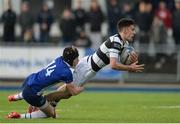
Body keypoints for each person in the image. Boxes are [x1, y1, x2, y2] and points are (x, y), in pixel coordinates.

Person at [8, 18, 144, 119]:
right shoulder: (116, 42)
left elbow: (119, 57)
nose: (134, 32)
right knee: (68, 93)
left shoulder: (120, 41)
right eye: (132, 29)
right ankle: (42, 101)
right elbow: (113, 65)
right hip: (88, 69)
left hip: (88, 65)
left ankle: (46, 102)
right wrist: (129, 68)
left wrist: (129, 58)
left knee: (66, 91)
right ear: (125, 30)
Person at [7, 46, 83, 119]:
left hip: (29, 81)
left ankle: (16, 97)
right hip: (33, 94)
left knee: (38, 87)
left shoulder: (59, 59)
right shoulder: (66, 72)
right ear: (70, 60)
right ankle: (19, 116)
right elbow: (73, 92)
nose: (78, 61)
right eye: (76, 58)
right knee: (52, 114)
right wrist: (83, 86)